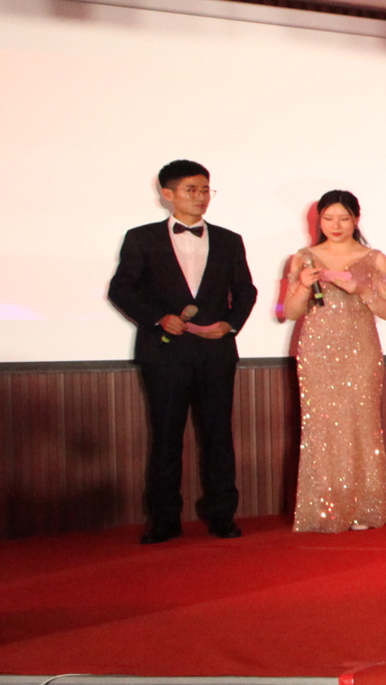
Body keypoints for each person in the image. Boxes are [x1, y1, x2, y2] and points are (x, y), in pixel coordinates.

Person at [106, 159, 258, 544]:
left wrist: (230, 324)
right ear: (167, 194)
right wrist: (158, 318)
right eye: (191, 190)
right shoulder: (141, 238)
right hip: (164, 353)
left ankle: (222, 515)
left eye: (206, 190)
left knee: (218, 436)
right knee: (166, 437)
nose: (200, 197)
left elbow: (246, 291)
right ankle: (164, 520)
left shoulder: (229, 240)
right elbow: (121, 289)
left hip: (215, 352)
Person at [281, 189, 386, 533]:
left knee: (362, 423)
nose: (335, 225)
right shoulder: (304, 258)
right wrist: (303, 286)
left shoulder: (374, 258)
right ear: (318, 221)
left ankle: (364, 508)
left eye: (344, 218)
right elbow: (290, 312)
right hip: (317, 351)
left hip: (361, 350)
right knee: (320, 427)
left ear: (356, 219)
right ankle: (325, 510)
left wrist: (362, 291)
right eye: (328, 218)